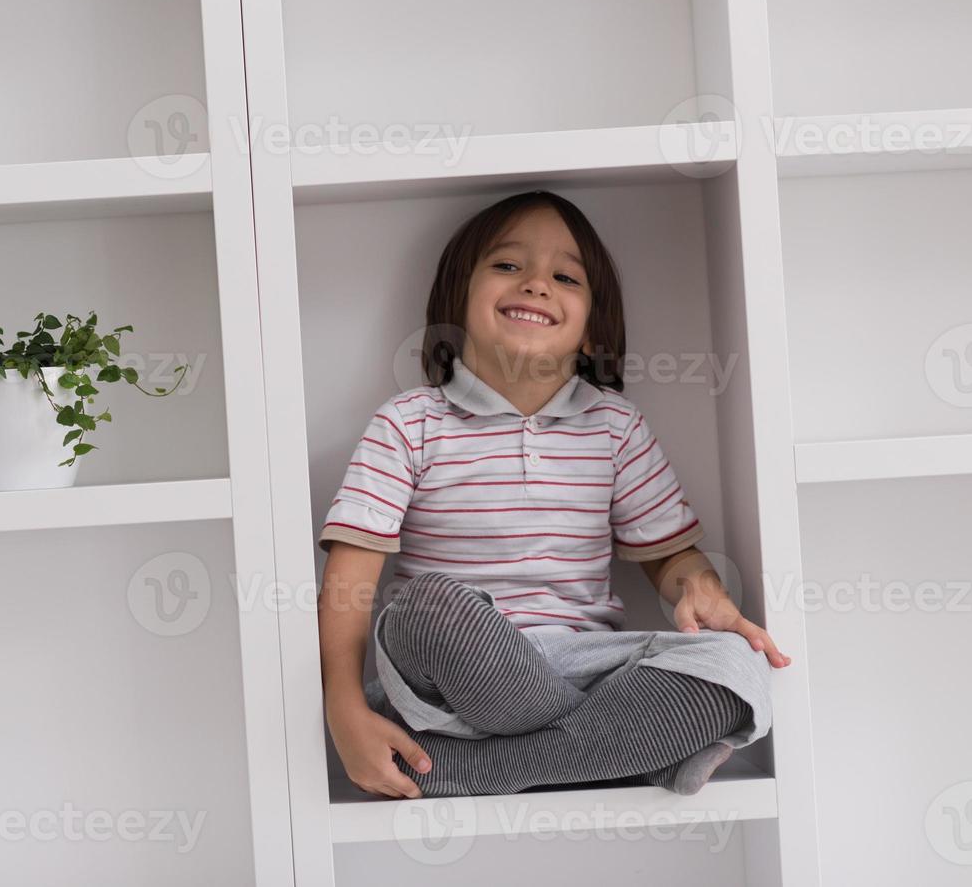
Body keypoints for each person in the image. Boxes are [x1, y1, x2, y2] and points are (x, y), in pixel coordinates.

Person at [318, 189, 789, 800]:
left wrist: (701, 589)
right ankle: (629, 752)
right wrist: (344, 711)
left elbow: (670, 557)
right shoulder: (410, 422)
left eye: (565, 276)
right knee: (426, 606)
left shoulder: (616, 428)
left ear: (594, 329)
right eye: (508, 266)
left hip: (584, 666)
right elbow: (350, 580)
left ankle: (486, 769)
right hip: (446, 678)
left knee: (736, 665)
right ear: (456, 299)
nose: (536, 284)